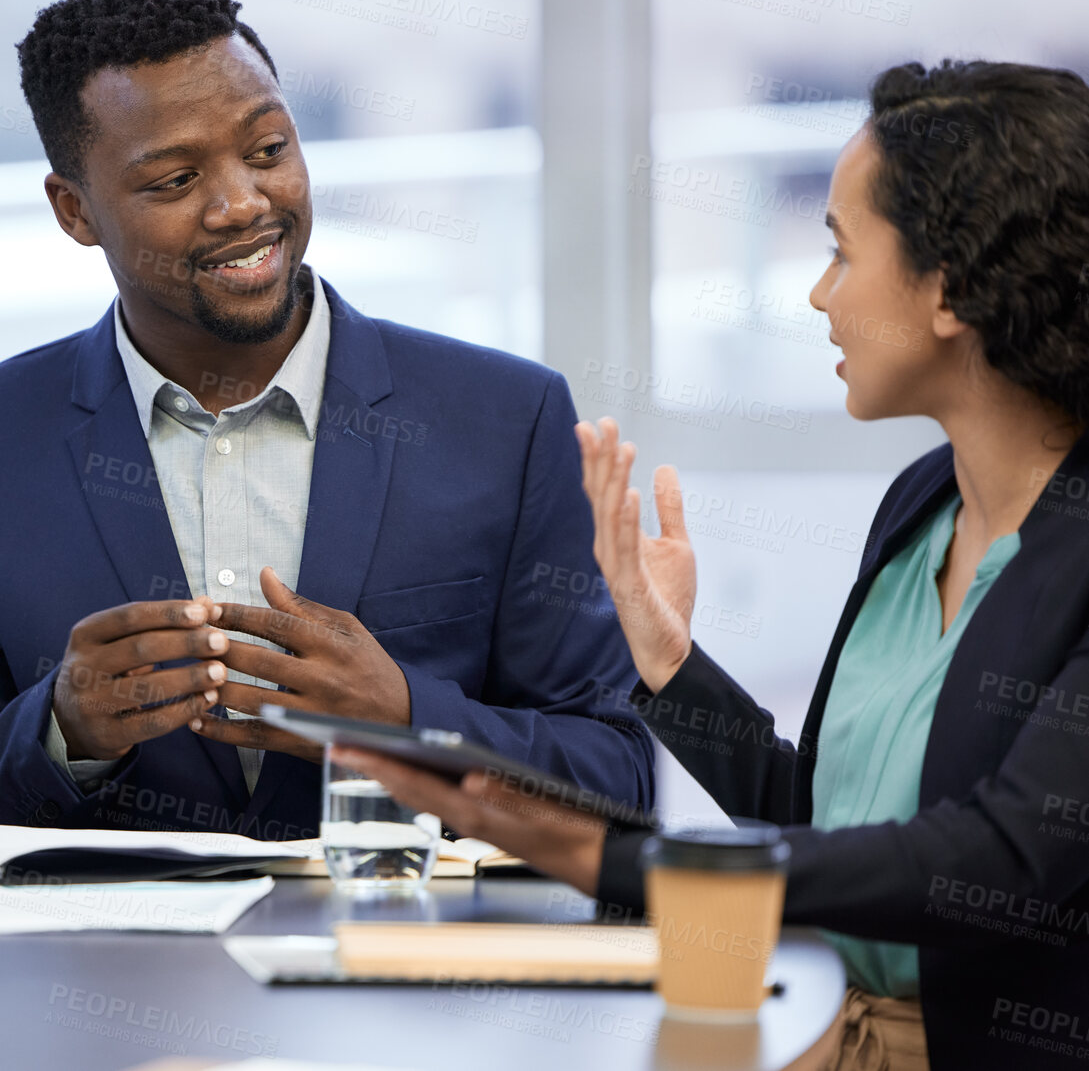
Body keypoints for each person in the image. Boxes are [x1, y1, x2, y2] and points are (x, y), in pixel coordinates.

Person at [337, 59, 1089, 1071]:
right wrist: (668, 660)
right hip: (818, 1029)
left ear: (946, 285)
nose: (818, 293)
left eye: (839, 250)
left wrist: (612, 857)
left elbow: (999, 857)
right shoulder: (921, 507)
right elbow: (824, 826)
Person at [0, 0, 654, 841]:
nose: (242, 204)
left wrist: (406, 714)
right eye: (173, 180)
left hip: (408, 966)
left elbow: (618, 781)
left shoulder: (506, 421)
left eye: (267, 151)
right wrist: (60, 732)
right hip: (114, 977)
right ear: (74, 211)